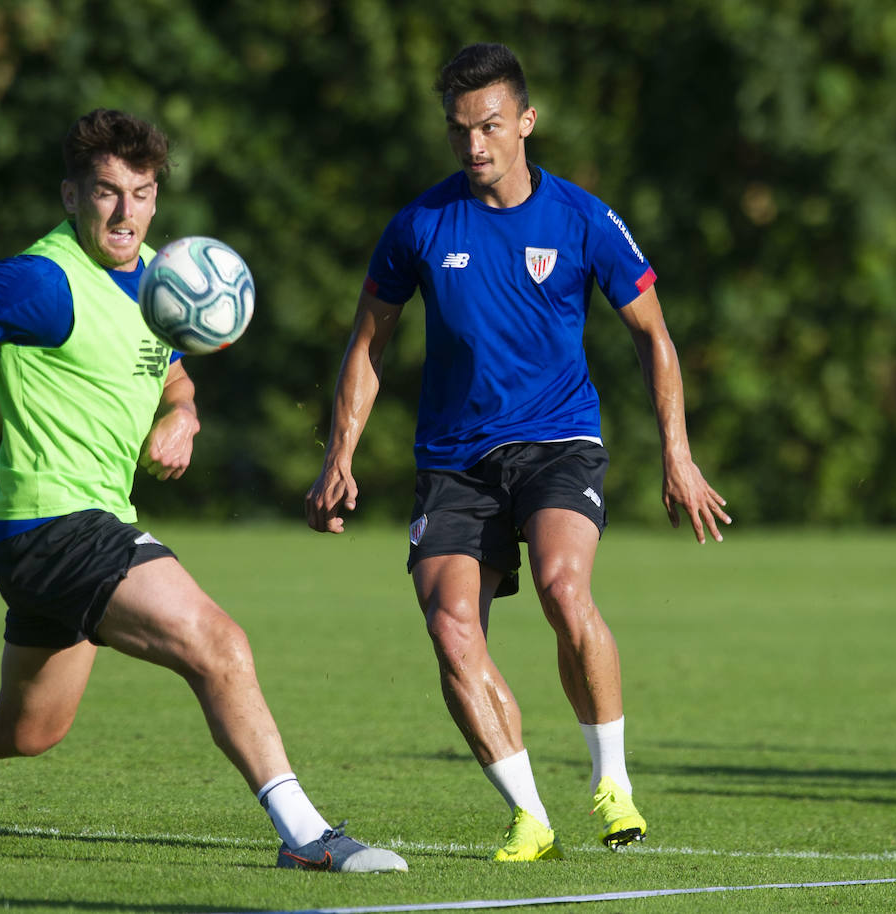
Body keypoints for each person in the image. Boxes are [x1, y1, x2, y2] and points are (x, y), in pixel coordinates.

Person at [0, 108, 406, 873]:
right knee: (219, 645)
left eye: (141, 192)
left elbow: (174, 375)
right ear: (72, 197)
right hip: (53, 524)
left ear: (158, 198)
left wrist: (184, 417)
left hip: (67, 534)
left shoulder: (168, 282)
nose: (125, 211)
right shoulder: (40, 280)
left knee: (28, 728)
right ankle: (307, 838)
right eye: (106, 192)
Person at [305, 44, 730, 862]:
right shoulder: (419, 225)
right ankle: (530, 817)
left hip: (557, 442)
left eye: (491, 126)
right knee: (451, 629)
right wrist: (340, 456)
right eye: (461, 130)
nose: (474, 146)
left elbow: (654, 335)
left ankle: (612, 785)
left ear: (526, 122)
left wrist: (678, 454)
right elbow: (368, 344)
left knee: (564, 590)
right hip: (453, 463)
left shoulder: (581, 218)